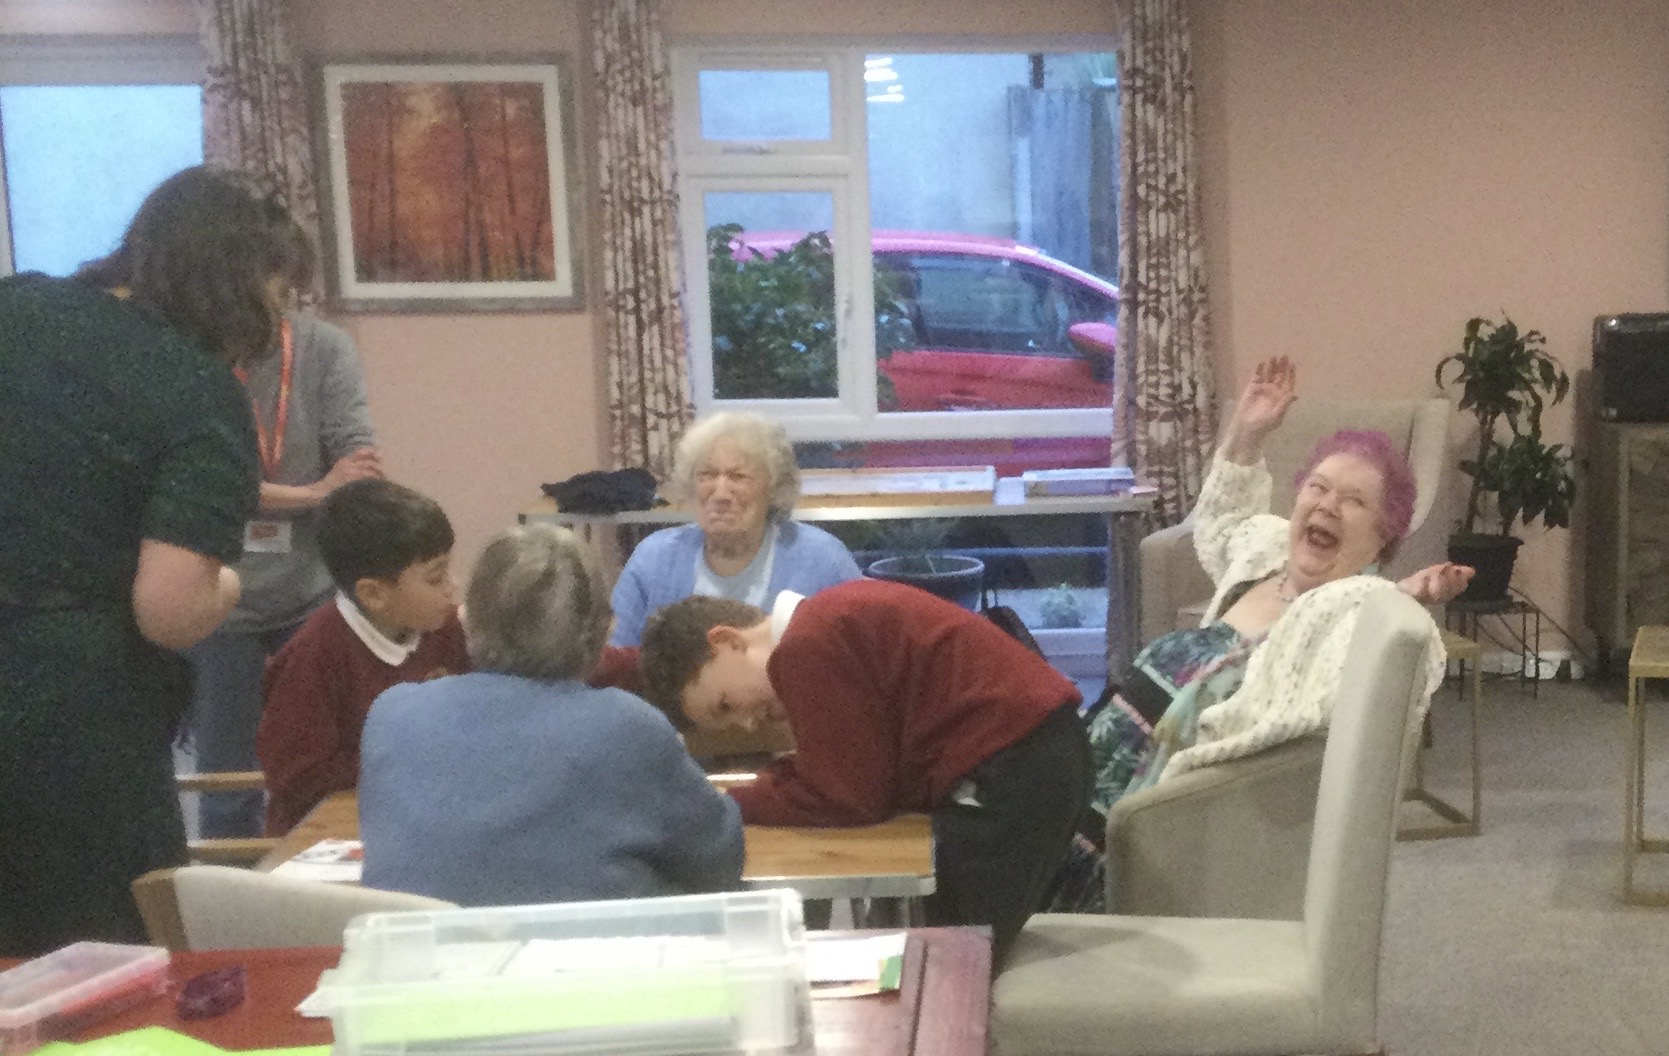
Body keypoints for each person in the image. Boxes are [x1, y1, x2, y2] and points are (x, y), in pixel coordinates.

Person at [0, 166, 301, 954]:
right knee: (93, 965)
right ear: (242, 282)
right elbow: (168, 610)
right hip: (69, 715)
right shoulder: (194, 393)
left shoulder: (17, 307)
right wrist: (228, 582)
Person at [1046, 355, 1472, 911]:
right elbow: (1224, 522)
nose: (1326, 505)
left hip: (1153, 805)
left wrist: (1400, 601)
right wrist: (1247, 432)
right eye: (1317, 488)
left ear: (1383, 537)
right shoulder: (1268, 552)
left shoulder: (1350, 605)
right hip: (1101, 755)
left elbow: (1353, 679)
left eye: (1353, 501)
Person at [638, 578, 1091, 962]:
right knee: (952, 951)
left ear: (727, 641)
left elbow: (847, 798)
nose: (746, 723)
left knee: (955, 965)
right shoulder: (827, 621)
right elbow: (857, 768)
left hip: (1011, 767)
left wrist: (730, 803)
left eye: (726, 705)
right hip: (1039, 753)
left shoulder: (805, 646)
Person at [359, 524, 745, 907]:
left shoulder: (391, 714)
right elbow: (718, 863)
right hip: (593, 959)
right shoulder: (628, 726)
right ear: (602, 632)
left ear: (466, 620)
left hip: (416, 962)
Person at [184, 219, 382, 838]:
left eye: (287, 283)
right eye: (270, 280)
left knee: (328, 763)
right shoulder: (191, 354)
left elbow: (356, 454)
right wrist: (313, 492)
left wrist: (320, 491)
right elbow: (201, 480)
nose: (279, 297)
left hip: (312, 591)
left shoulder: (324, 348)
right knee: (226, 778)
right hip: (219, 601)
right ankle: (226, 916)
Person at [255, 478, 469, 836]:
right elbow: (298, 778)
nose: (453, 586)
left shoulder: (448, 630)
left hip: (420, 820)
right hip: (327, 839)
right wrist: (418, 760)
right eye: (436, 578)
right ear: (374, 594)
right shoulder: (313, 655)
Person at [609, 411, 861, 647]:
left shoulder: (822, 559)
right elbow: (614, 656)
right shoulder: (654, 558)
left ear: (773, 488)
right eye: (706, 475)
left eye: (738, 477)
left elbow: (864, 655)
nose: (720, 493)